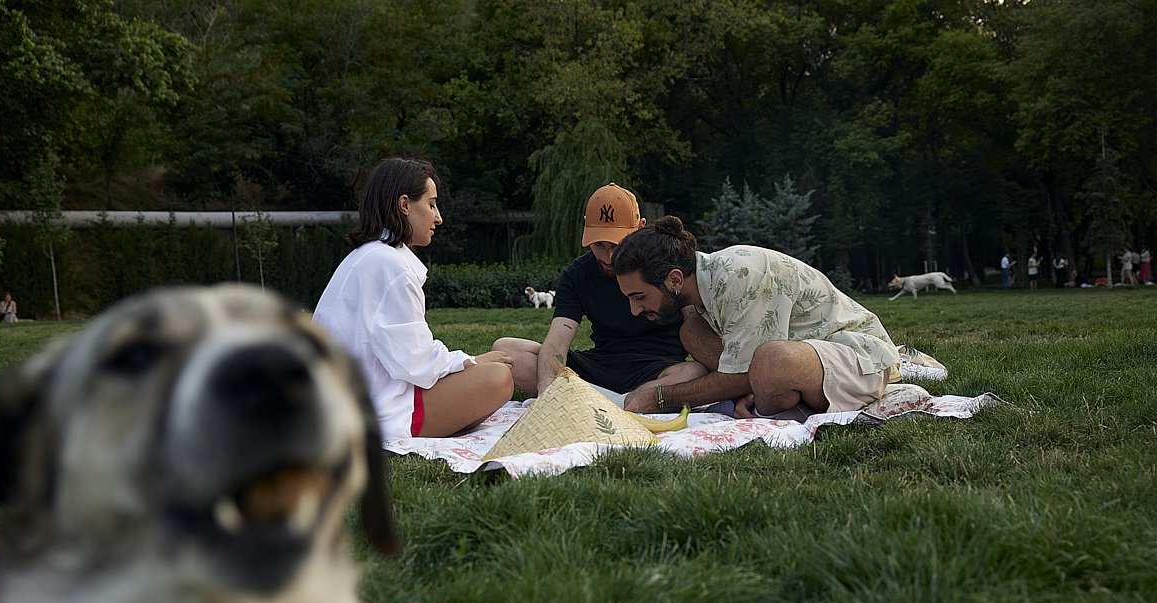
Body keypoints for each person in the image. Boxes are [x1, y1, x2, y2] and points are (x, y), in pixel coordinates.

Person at [611, 216, 900, 419]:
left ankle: (763, 394)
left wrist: (662, 397)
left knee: (771, 361)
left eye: (639, 296)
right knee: (692, 332)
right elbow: (737, 367)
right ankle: (756, 396)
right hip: (801, 355)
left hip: (861, 359)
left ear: (674, 280)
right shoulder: (704, 285)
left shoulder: (742, 275)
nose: (635, 310)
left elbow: (740, 371)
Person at [313, 157, 513, 440]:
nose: (439, 217)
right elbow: (416, 363)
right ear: (404, 204)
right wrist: (471, 361)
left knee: (489, 374)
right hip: (373, 411)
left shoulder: (366, 257)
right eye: (431, 205)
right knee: (498, 378)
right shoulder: (391, 266)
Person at [493, 183, 705, 398]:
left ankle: (595, 400)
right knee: (506, 351)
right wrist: (547, 385)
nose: (608, 257)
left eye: (617, 245)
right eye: (599, 245)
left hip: (659, 368)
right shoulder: (577, 274)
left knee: (694, 373)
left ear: (640, 228)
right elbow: (557, 342)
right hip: (599, 365)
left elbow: (696, 327)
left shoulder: (666, 264)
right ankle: (619, 401)